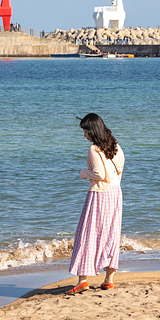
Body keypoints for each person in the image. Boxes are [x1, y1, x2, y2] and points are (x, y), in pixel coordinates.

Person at [66, 113, 125, 294]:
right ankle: (108, 279)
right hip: (115, 193)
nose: (84, 135)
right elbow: (120, 169)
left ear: (92, 131)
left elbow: (99, 174)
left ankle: (83, 279)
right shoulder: (115, 146)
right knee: (111, 235)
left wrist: (83, 173)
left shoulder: (94, 149)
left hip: (100, 194)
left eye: (85, 131)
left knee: (88, 234)